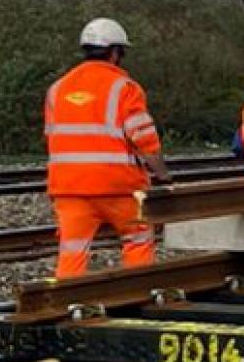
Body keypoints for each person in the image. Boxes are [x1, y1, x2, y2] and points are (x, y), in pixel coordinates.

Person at [43, 17, 170, 278]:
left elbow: (52, 137)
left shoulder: (57, 89)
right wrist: (162, 174)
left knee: (72, 250)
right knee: (138, 237)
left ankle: (68, 302)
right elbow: (143, 137)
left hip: (69, 188)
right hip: (118, 187)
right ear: (115, 53)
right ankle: (138, 291)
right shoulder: (125, 88)